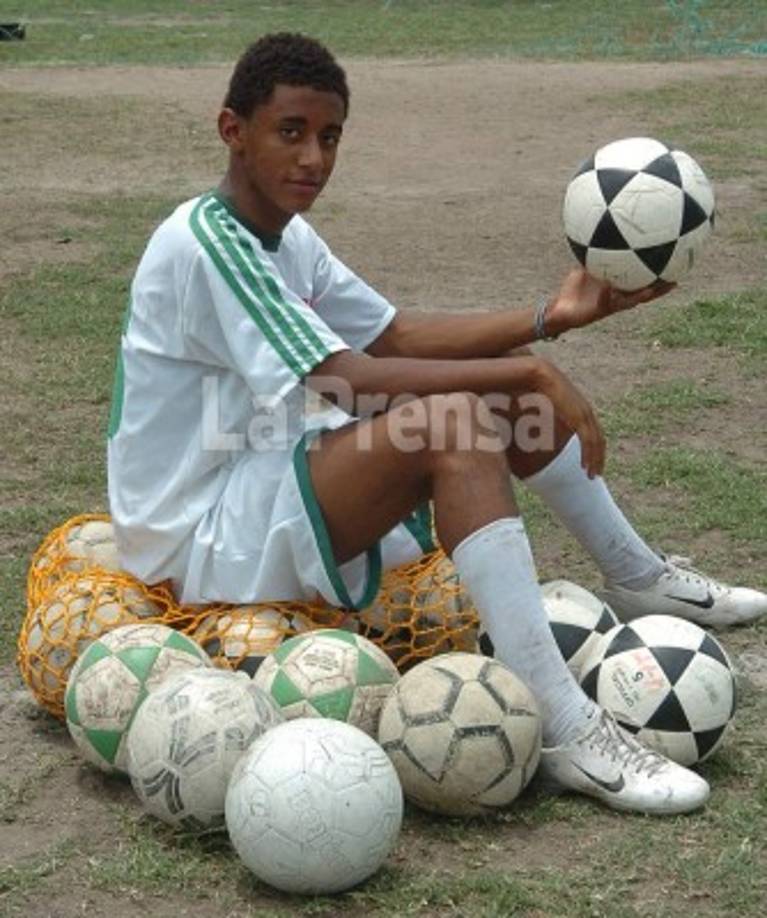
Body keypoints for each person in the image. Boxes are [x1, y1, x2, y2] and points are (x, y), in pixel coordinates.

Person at [107, 33, 765, 816]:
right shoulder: (206, 241)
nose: (313, 157)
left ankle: (636, 576)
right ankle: (566, 728)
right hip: (199, 530)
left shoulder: (285, 234)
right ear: (232, 131)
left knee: (488, 392)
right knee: (456, 419)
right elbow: (343, 377)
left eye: (329, 136)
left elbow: (391, 337)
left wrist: (546, 323)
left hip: (257, 475)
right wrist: (526, 371)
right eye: (290, 132)